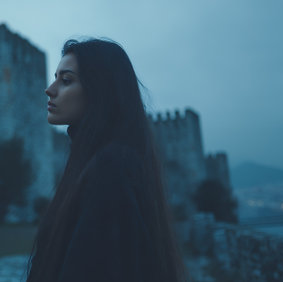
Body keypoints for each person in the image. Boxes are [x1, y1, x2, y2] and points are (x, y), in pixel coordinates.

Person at [26, 39, 187, 282]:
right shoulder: (96, 162)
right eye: (55, 77)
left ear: (100, 90)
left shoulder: (111, 166)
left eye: (66, 80)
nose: (50, 89)